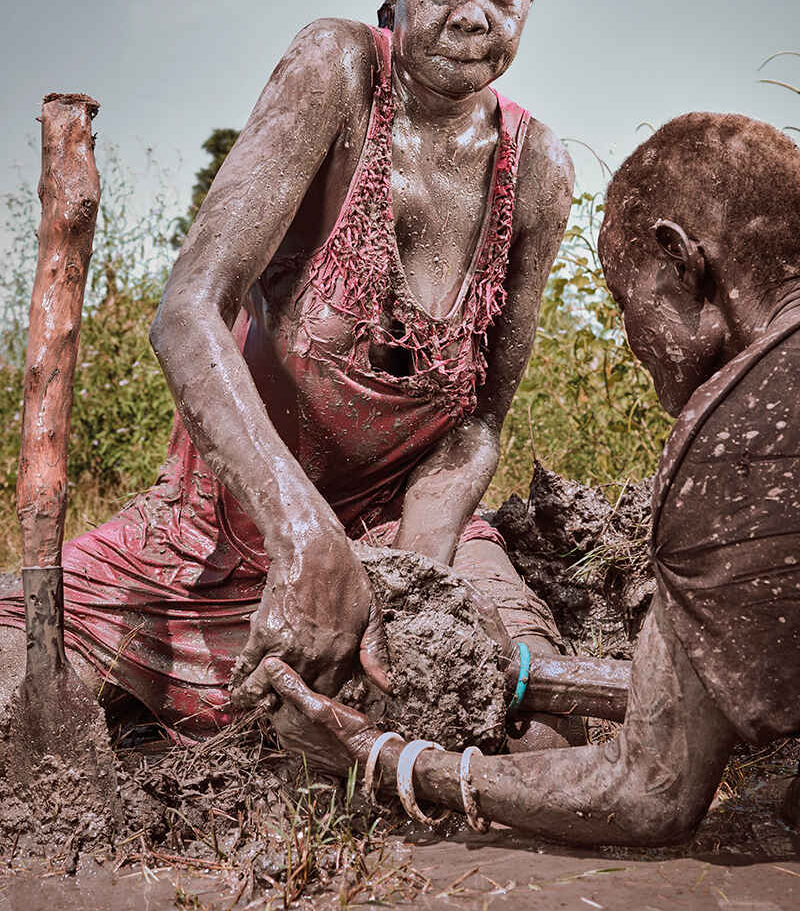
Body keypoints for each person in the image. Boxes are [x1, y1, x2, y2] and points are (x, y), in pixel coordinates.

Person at [0, 0, 576, 745]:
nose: (472, 17)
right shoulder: (339, 73)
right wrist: (300, 533)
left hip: (402, 530)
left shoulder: (537, 170)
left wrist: (413, 578)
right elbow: (186, 311)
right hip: (209, 535)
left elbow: (479, 426)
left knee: (526, 713)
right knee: (13, 676)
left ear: (532, 1)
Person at [260, 112, 800, 846]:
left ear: (680, 262)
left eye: (621, 299)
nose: (628, 337)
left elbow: (648, 792)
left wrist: (392, 759)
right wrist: (516, 677)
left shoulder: (736, 436)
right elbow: (699, 705)